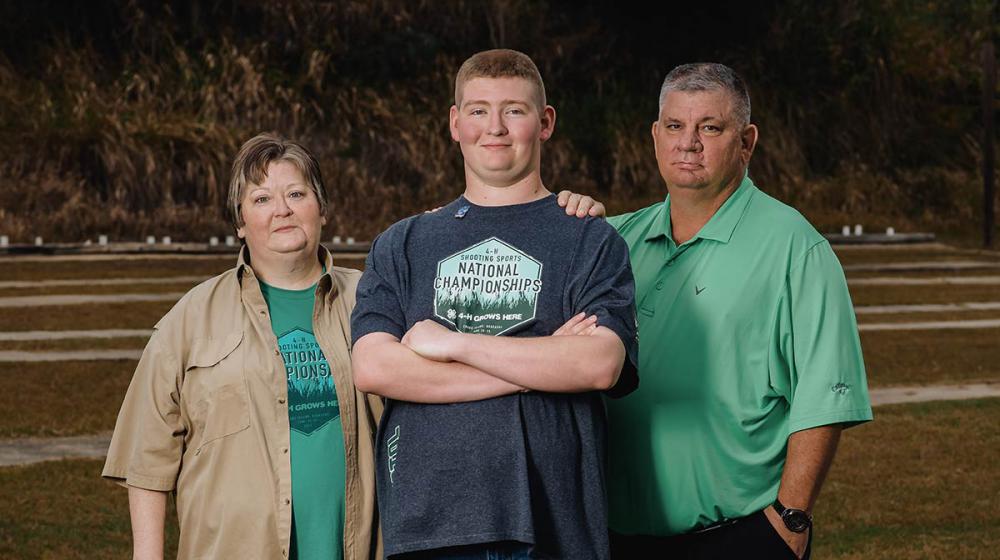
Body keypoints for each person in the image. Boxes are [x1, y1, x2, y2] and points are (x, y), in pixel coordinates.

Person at [560, 62, 873, 559]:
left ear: (746, 142)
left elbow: (824, 397)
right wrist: (557, 219)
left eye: (710, 127)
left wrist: (790, 520)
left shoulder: (795, 247)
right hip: (612, 537)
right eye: (675, 126)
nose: (689, 143)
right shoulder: (612, 240)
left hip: (739, 536)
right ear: (655, 137)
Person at [350, 49, 638, 560]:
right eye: (479, 110)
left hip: (554, 523)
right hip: (429, 524)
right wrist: (543, 361)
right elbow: (374, 366)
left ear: (544, 122)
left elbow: (599, 363)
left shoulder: (589, 239)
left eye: (515, 110)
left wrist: (450, 344)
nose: (496, 127)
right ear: (455, 123)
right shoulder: (403, 243)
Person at [102, 133, 382, 560]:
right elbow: (147, 458)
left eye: (296, 193)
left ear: (321, 207)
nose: (282, 210)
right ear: (239, 221)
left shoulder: (373, 300)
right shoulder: (189, 319)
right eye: (262, 199)